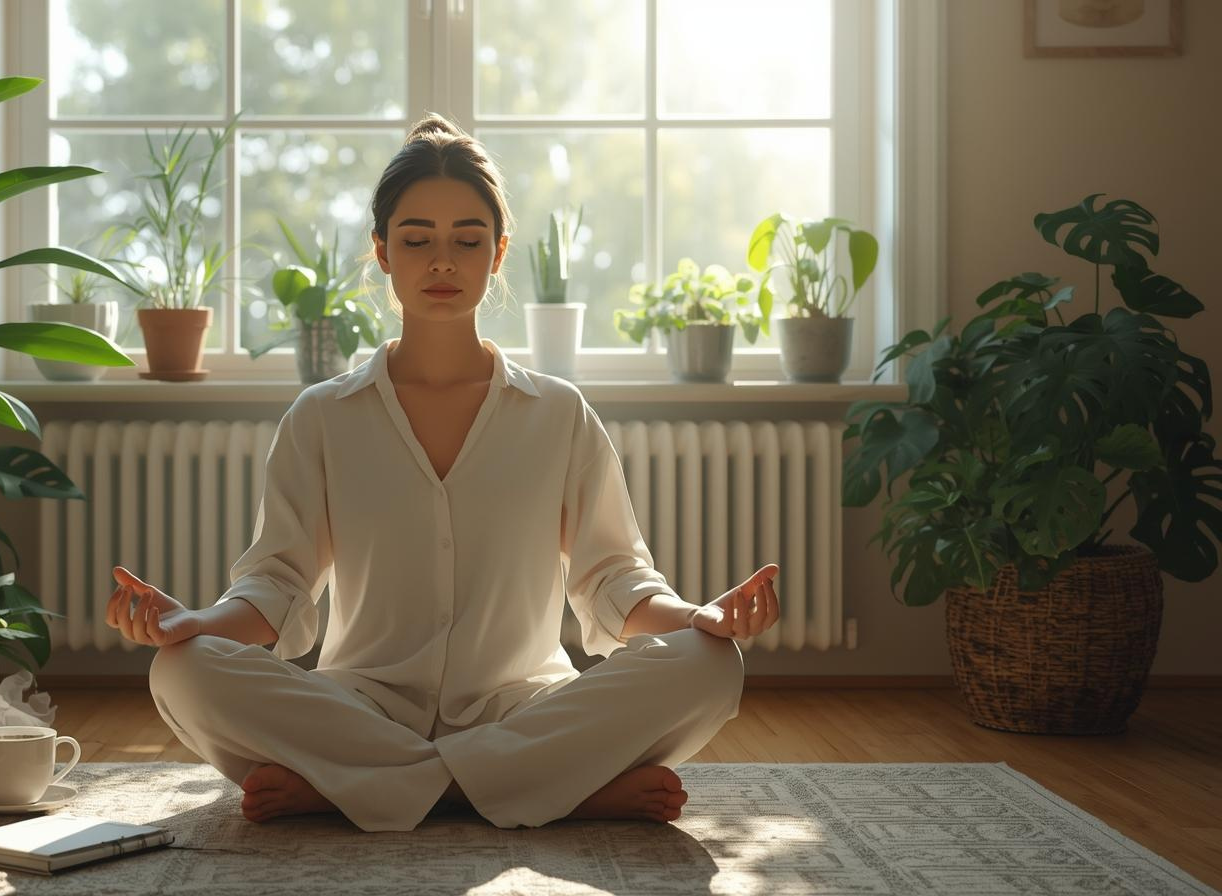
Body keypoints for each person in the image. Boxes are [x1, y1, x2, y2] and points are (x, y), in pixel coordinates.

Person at [105, 113, 780, 833]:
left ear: (498, 254)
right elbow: (278, 586)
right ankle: (542, 789)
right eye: (417, 240)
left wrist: (701, 618)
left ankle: (359, 789)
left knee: (711, 665)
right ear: (382, 253)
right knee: (181, 670)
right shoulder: (322, 416)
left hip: (524, 706)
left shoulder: (558, 414)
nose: (442, 262)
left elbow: (614, 580)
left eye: (467, 240)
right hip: (360, 706)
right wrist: (191, 623)